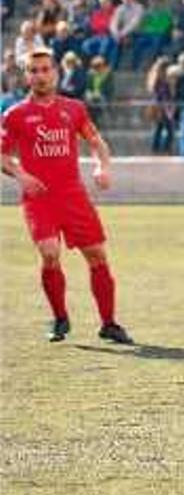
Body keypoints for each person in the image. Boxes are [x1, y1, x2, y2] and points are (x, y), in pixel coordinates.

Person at [0, 47, 133, 345]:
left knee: (97, 256)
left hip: (73, 195)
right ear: (26, 76)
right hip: (39, 199)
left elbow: (97, 142)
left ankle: (109, 323)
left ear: (55, 72)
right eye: (34, 71)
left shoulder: (74, 109)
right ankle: (60, 318)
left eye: (46, 69)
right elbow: (3, 157)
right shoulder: (15, 115)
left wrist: (102, 167)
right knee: (49, 254)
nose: (41, 75)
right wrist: (22, 175)